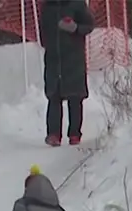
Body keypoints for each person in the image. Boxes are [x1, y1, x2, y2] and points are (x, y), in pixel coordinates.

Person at [39, 0, 95, 146]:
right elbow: (42, 32)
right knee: (53, 96)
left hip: (74, 58)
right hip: (53, 59)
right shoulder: (47, 6)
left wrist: (75, 28)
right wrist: (49, 44)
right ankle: (53, 134)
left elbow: (89, 26)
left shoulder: (77, 4)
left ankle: (75, 134)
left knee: (75, 97)